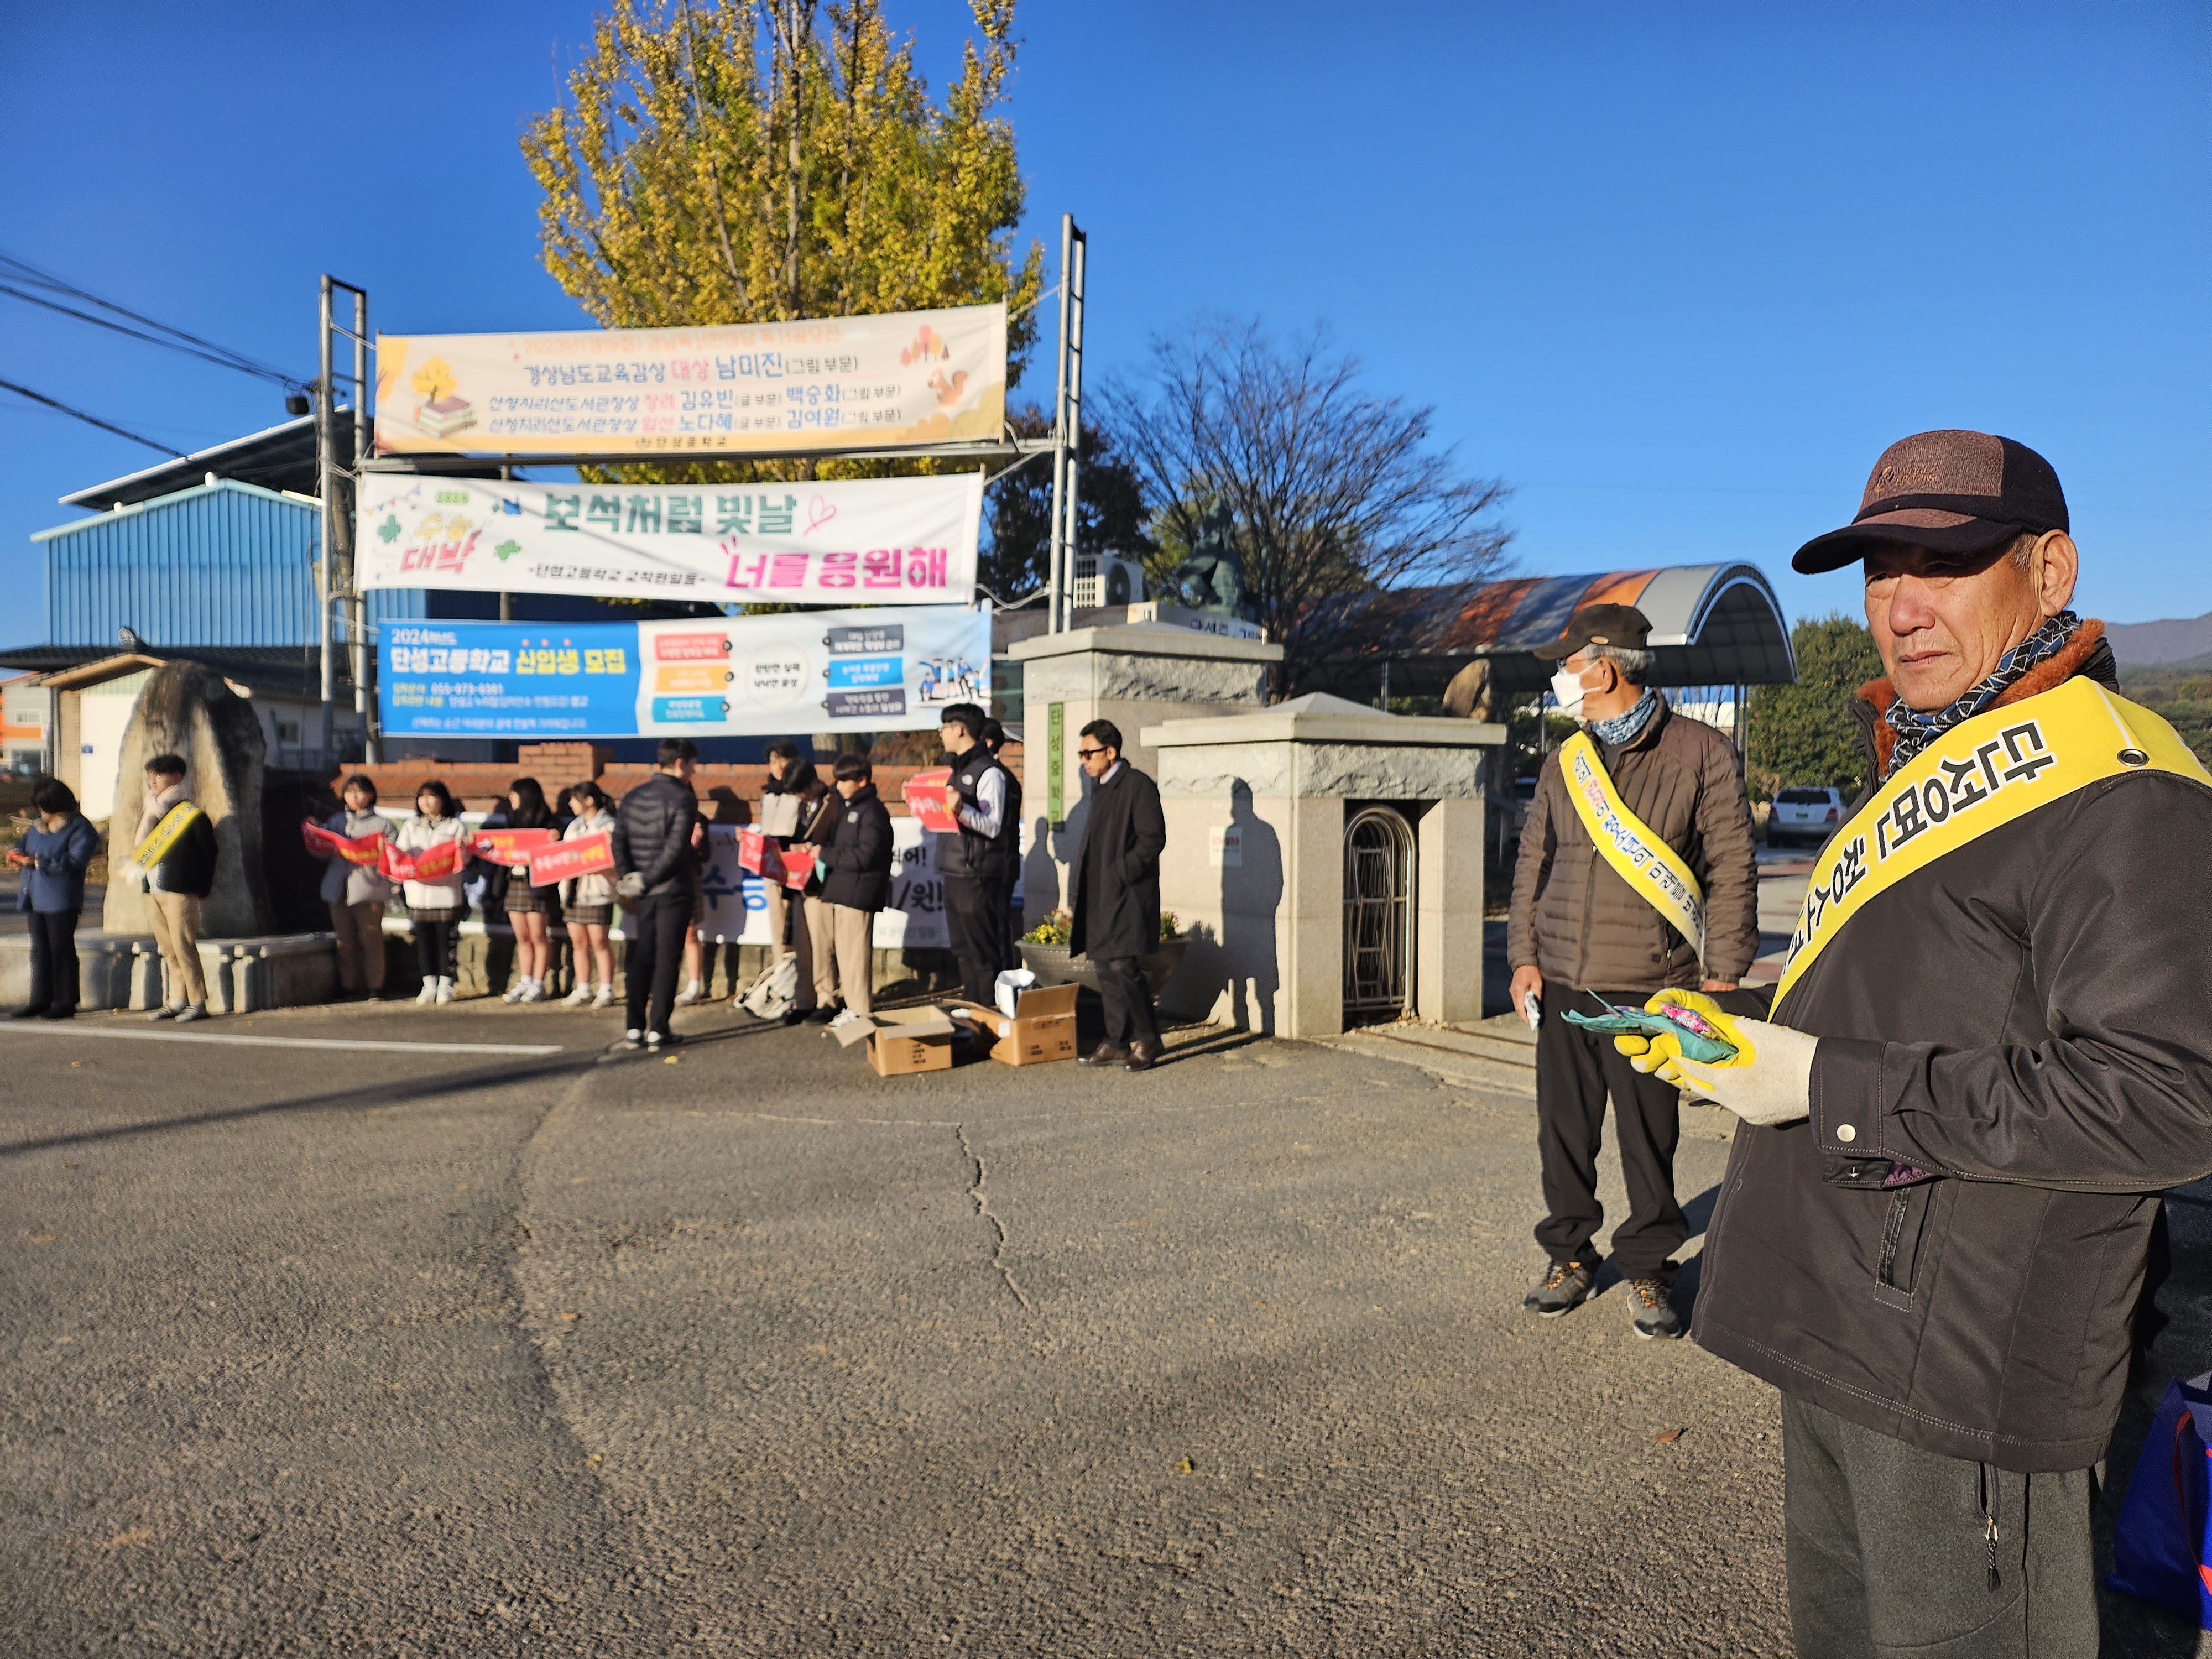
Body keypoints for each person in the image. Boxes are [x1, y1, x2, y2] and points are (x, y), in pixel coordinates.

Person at [1615, 431, 2212, 1658]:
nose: (1897, 606)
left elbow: (2166, 1098)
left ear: (2049, 573)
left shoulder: (2121, 784)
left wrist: (1820, 1083)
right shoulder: (1919, 764)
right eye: (1879, 570)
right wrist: (1744, 1041)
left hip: (1962, 1377)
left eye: (1941, 563)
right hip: (1836, 1335)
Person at [1506, 603, 1758, 1339]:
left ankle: (1648, 1266)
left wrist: (1724, 972)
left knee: (1649, 1142)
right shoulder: (1565, 761)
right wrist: (1524, 954)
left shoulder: (1699, 753)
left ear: (1604, 666)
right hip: (1559, 981)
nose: (1562, 677)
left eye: (1569, 664)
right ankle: (1571, 1256)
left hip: (1650, 987)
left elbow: (1733, 865)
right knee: (1564, 1135)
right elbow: (1533, 861)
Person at [1068, 719, 1167, 1072]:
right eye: (1080, 753)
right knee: (1105, 968)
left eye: (1088, 753)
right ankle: (1116, 1041)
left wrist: (1119, 872)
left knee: (1124, 966)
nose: (1083, 760)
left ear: (1110, 752)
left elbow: (1152, 839)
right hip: (1101, 894)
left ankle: (1149, 1039)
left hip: (1128, 893)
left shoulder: (1137, 785)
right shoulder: (1102, 786)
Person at [612, 736, 701, 1050]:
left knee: (642, 955)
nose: (693, 771)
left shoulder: (633, 796)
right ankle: (658, 1028)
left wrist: (630, 877)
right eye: (692, 765)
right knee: (667, 958)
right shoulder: (683, 798)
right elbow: (676, 849)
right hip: (672, 889)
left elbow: (618, 840)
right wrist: (648, 879)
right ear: (680, 764)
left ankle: (634, 1027)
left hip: (642, 890)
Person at [122, 752, 220, 1024]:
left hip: (180, 888)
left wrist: (202, 888)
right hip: (153, 886)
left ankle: (198, 1001)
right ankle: (177, 1000)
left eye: (158, 775)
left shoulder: (192, 815)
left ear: (176, 777)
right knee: (167, 947)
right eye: (150, 776)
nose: (153, 781)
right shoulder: (151, 810)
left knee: (183, 944)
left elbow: (208, 853)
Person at [936, 702, 1022, 1004]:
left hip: (978, 872)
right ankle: (970, 1010)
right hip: (954, 867)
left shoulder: (991, 773)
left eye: (944, 728)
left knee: (982, 951)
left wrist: (960, 809)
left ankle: (989, 1014)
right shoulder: (956, 770)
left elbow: (992, 825)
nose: (941, 734)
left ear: (959, 730)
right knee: (961, 949)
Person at [7, 776, 100, 1021]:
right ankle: (40, 999)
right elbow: (22, 844)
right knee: (40, 950)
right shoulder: (37, 826)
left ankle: (66, 1001)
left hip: (61, 897)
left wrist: (38, 861)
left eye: (46, 807)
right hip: (34, 895)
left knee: (61, 949)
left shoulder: (80, 828)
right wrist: (16, 854)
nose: (42, 812)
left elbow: (75, 862)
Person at [815, 752, 892, 1021]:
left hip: (860, 892)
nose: (838, 785)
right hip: (844, 890)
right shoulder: (847, 807)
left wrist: (824, 855)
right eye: (836, 780)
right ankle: (852, 1008)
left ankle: (861, 1011)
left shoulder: (872, 811)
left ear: (861, 780)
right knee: (845, 954)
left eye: (844, 780)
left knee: (856, 956)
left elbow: (867, 855)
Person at [319, 774, 395, 1001]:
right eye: (350, 792)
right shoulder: (336, 821)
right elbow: (320, 854)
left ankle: (376, 985)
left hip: (369, 888)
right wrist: (317, 835)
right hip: (338, 887)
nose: (355, 797)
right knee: (344, 939)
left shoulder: (383, 825)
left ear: (371, 795)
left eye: (360, 792)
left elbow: (393, 860)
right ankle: (348, 985)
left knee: (370, 937)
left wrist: (382, 851)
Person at [397, 780, 469, 1004]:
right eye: (422, 797)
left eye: (431, 797)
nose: (426, 802)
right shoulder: (411, 826)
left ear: (443, 800)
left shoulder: (455, 826)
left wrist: (463, 848)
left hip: (446, 893)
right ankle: (428, 984)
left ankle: (446, 984)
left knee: (445, 941)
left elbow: (463, 860)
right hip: (418, 893)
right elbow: (400, 855)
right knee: (424, 941)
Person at [497, 778, 558, 1004]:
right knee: (522, 936)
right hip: (515, 882)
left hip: (538, 885)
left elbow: (559, 846)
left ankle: (539, 983)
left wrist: (555, 836)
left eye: (514, 794)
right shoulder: (512, 820)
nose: (511, 799)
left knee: (538, 935)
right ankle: (525, 979)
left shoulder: (547, 821)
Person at [557, 781, 618, 1009]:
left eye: (575, 799)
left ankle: (606, 988)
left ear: (589, 801)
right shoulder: (573, 827)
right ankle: (583, 986)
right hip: (574, 891)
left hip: (597, 891)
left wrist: (589, 865)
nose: (571, 804)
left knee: (600, 941)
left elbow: (615, 863)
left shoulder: (608, 827)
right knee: (578, 942)